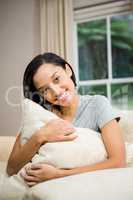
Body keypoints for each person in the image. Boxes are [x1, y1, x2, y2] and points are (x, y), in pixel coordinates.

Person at [7, 52, 126, 187]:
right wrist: (41, 136)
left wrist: (58, 174)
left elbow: (118, 161)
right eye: (45, 90)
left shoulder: (98, 104)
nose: (56, 92)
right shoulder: (40, 115)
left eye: (56, 79)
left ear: (67, 70)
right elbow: (11, 169)